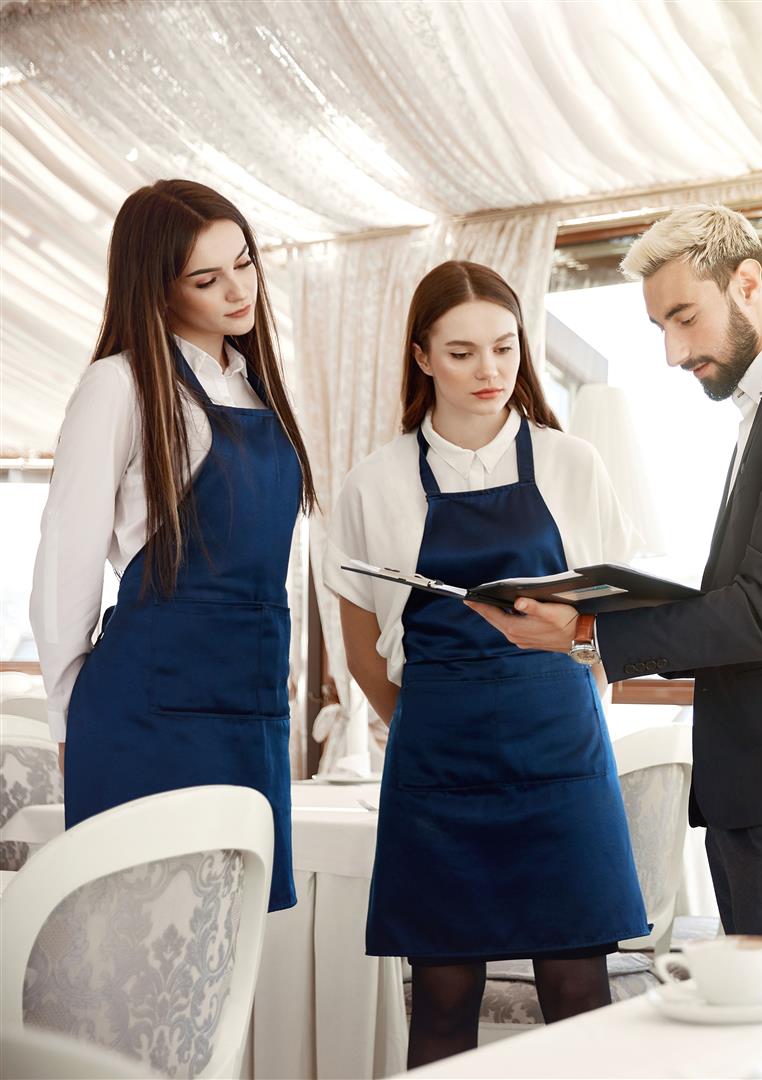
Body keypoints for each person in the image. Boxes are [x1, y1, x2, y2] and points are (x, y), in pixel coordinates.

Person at [469, 205, 762, 962]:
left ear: (747, 283)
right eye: (660, 328)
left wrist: (589, 631)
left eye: (685, 317)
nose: (674, 352)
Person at [326, 260, 648, 1067]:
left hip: (562, 757)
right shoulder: (376, 482)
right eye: (463, 352)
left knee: (580, 990)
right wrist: (428, 728)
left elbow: (613, 623)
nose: (490, 371)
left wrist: (570, 703)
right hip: (437, 767)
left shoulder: (575, 467)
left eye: (504, 348)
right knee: (439, 996)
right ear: (423, 356)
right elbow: (363, 651)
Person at [31, 179, 316, 911]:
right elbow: (65, 568)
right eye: (206, 278)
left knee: (229, 946)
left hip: (248, 709)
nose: (236, 290)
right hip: (143, 714)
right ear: (157, 290)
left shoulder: (260, 394)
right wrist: (68, 717)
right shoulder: (118, 386)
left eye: (244, 264)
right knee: (137, 954)